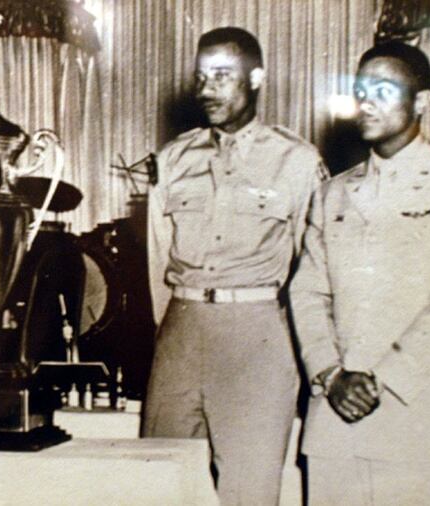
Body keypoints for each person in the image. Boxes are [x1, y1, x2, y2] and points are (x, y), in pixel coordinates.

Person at [290, 41, 430, 505]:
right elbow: (306, 293)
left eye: (384, 90)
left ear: (422, 101)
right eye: (361, 90)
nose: (366, 102)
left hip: (418, 422)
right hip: (335, 419)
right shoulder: (333, 195)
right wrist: (329, 374)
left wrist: (376, 382)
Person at [143, 27, 328, 505]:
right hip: (180, 334)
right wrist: (171, 332)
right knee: (159, 483)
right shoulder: (172, 159)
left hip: (257, 339)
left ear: (257, 78)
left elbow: (313, 267)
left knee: (248, 494)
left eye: (222, 77)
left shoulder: (298, 161)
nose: (206, 90)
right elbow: (156, 261)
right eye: (201, 77)